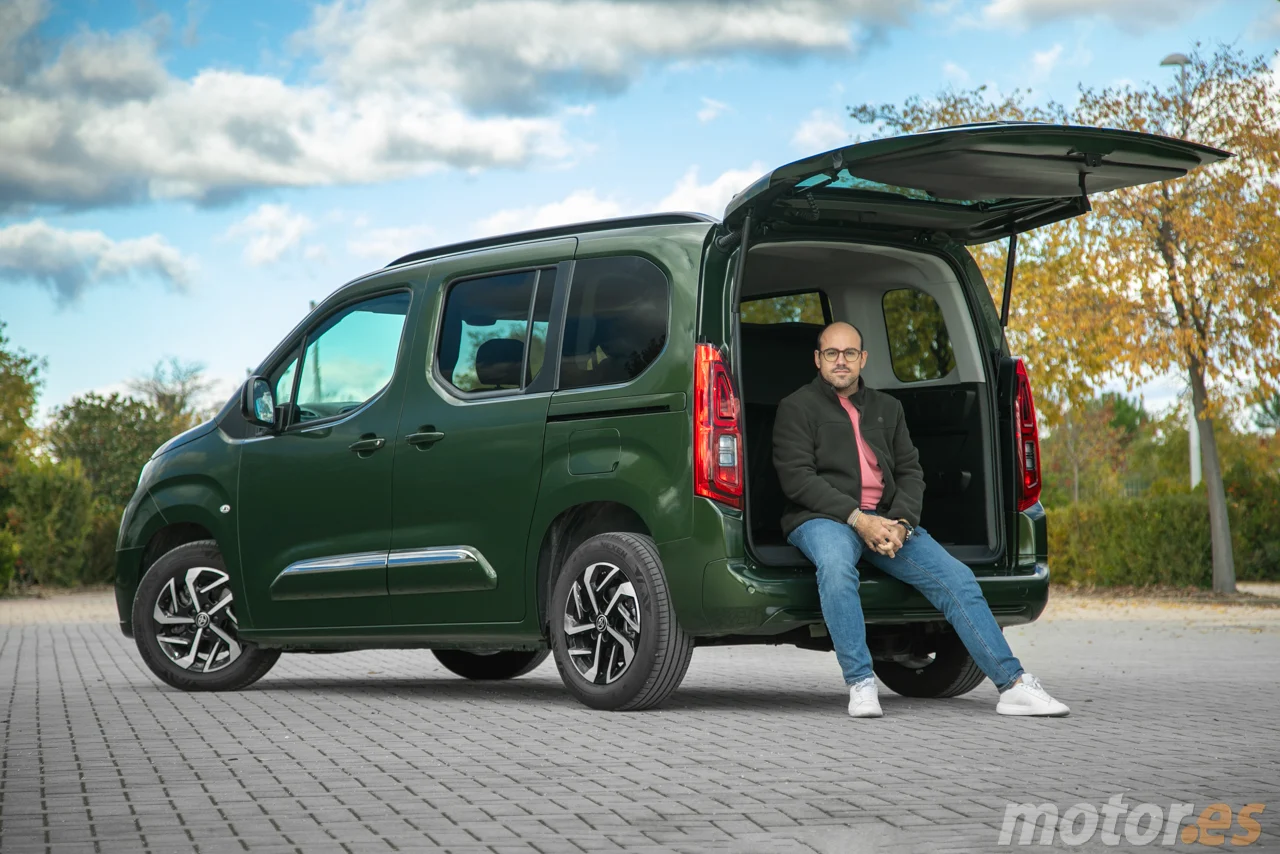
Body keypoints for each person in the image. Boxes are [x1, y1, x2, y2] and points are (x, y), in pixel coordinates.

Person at [772, 321, 1069, 718]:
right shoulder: (796, 406)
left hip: (888, 521)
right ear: (817, 359)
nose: (840, 361)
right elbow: (797, 479)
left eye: (849, 353)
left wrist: (902, 523)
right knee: (836, 567)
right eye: (831, 353)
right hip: (824, 518)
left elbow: (912, 473)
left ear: (863, 359)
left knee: (958, 579)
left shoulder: (887, 408)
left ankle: (1013, 684)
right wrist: (859, 519)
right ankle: (861, 684)